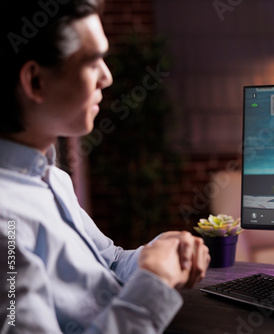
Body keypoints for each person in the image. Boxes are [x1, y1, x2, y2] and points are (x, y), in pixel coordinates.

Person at [0, 1, 210, 333]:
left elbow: (108, 260)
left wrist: (157, 254)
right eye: (92, 60)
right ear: (35, 81)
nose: (107, 77)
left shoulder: (54, 179)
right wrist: (153, 284)